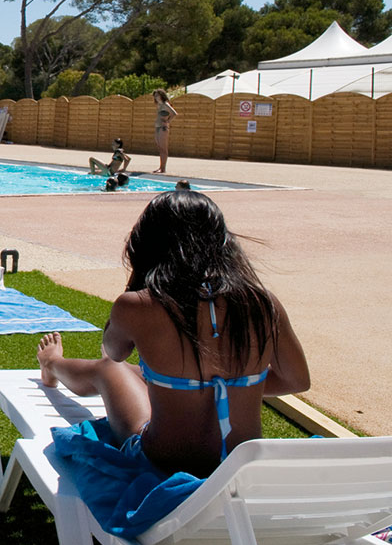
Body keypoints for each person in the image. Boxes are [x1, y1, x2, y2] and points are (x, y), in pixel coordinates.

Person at [35, 190, 309, 487]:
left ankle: (52, 363)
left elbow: (113, 352)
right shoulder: (263, 303)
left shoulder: (139, 305)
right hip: (240, 465)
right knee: (150, 375)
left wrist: (136, 285)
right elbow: (297, 381)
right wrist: (236, 383)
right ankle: (61, 365)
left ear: (150, 244)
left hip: (163, 463)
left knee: (109, 369)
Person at [153, 89, 178, 174]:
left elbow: (174, 113)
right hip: (157, 127)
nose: (156, 97)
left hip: (163, 128)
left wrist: (167, 121)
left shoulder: (165, 104)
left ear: (161, 96)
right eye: (155, 96)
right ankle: (160, 166)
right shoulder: (159, 105)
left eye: (157, 95)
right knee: (160, 148)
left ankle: (163, 168)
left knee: (163, 148)